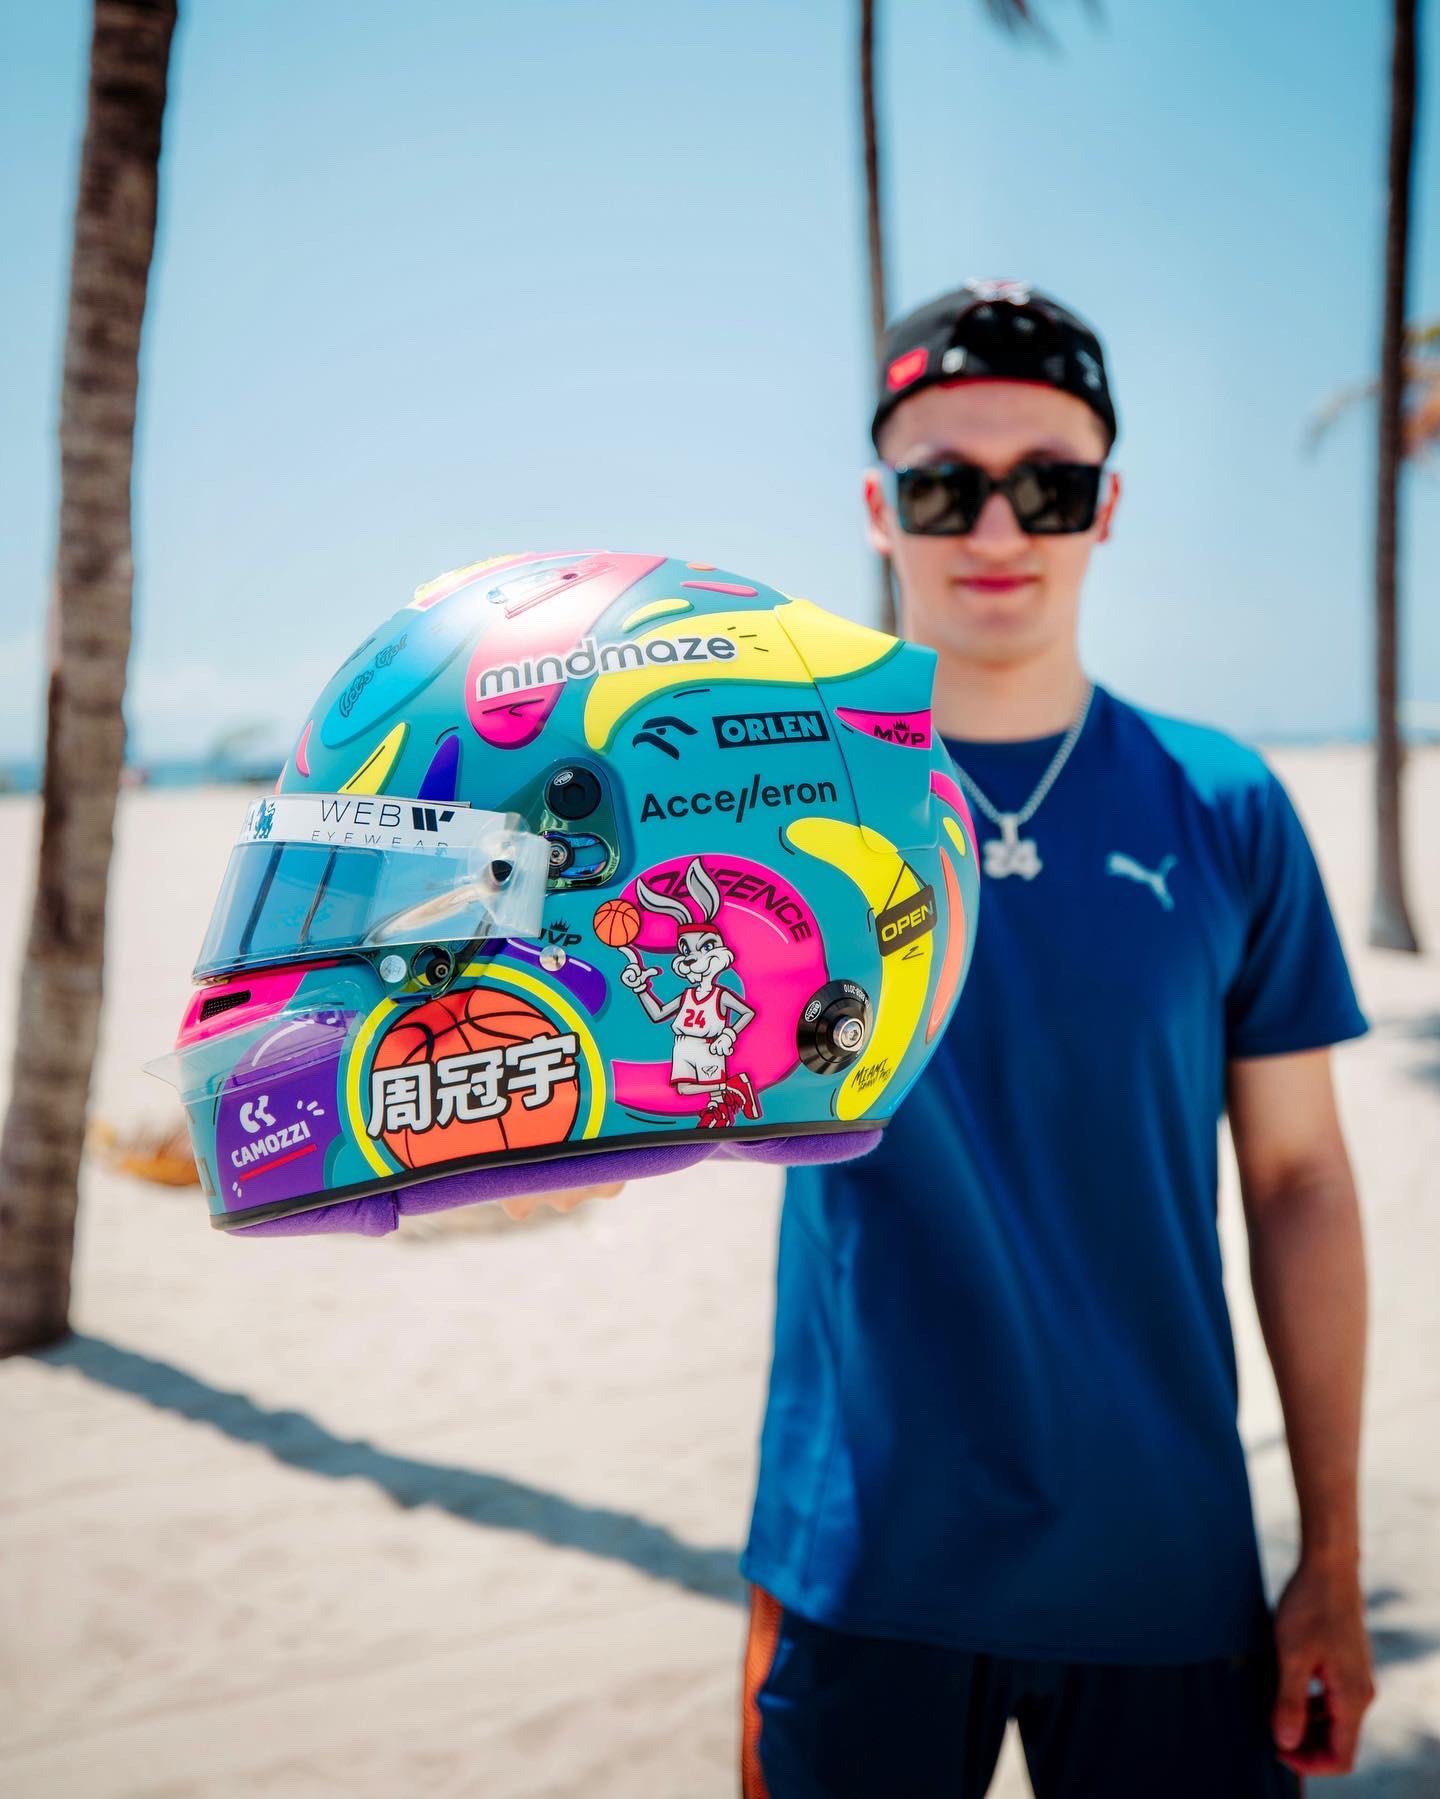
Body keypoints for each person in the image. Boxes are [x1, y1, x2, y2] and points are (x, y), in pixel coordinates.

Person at [734, 281, 1374, 1797]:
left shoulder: (1224, 805)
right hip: (859, 1562)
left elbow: (1299, 1181)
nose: (997, 529)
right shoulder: (769, 809)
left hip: (1166, 1563)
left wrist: (1333, 1553)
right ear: (881, 512)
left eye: (1049, 485)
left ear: (1108, 509)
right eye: (943, 486)